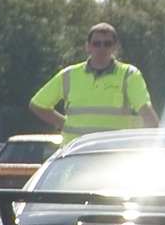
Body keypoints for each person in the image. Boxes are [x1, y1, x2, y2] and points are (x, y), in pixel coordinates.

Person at [27, 23, 157, 143]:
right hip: (76, 151)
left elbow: (147, 113)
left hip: (114, 154)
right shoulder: (69, 74)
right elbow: (38, 104)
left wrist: (145, 145)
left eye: (107, 44)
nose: (101, 48)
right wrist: (65, 124)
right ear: (87, 46)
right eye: (96, 43)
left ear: (115, 47)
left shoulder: (129, 75)